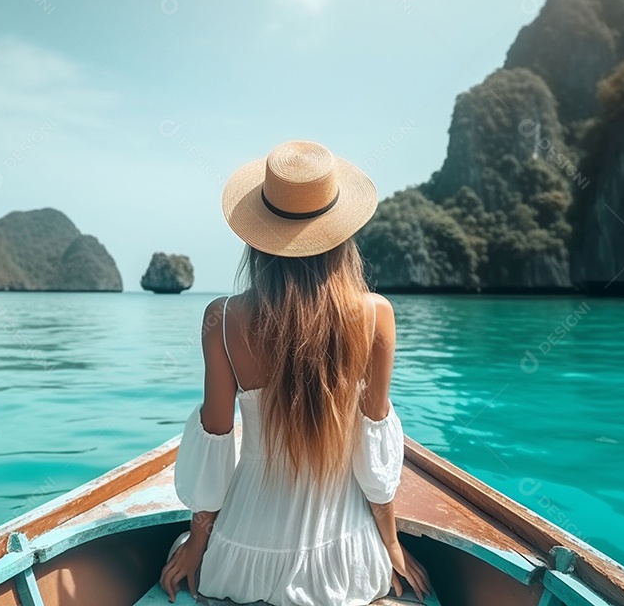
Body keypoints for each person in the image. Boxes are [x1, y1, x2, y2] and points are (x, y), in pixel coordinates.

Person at [159, 140, 432, 606]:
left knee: (177, 548)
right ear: (341, 234)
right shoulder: (375, 316)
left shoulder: (221, 319)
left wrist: (197, 545)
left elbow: (216, 442)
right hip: (343, 564)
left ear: (257, 237)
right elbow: (374, 455)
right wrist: (390, 544)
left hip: (241, 560)